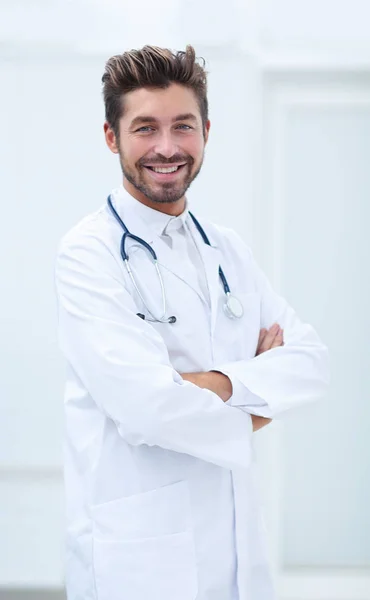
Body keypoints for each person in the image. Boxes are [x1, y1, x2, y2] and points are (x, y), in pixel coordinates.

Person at [54, 45, 329, 600]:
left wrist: (205, 386)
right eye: (145, 128)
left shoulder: (226, 249)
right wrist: (255, 392)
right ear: (112, 137)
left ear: (205, 131)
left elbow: (310, 363)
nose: (166, 147)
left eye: (183, 126)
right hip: (140, 558)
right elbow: (145, 409)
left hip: (236, 547)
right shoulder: (88, 253)